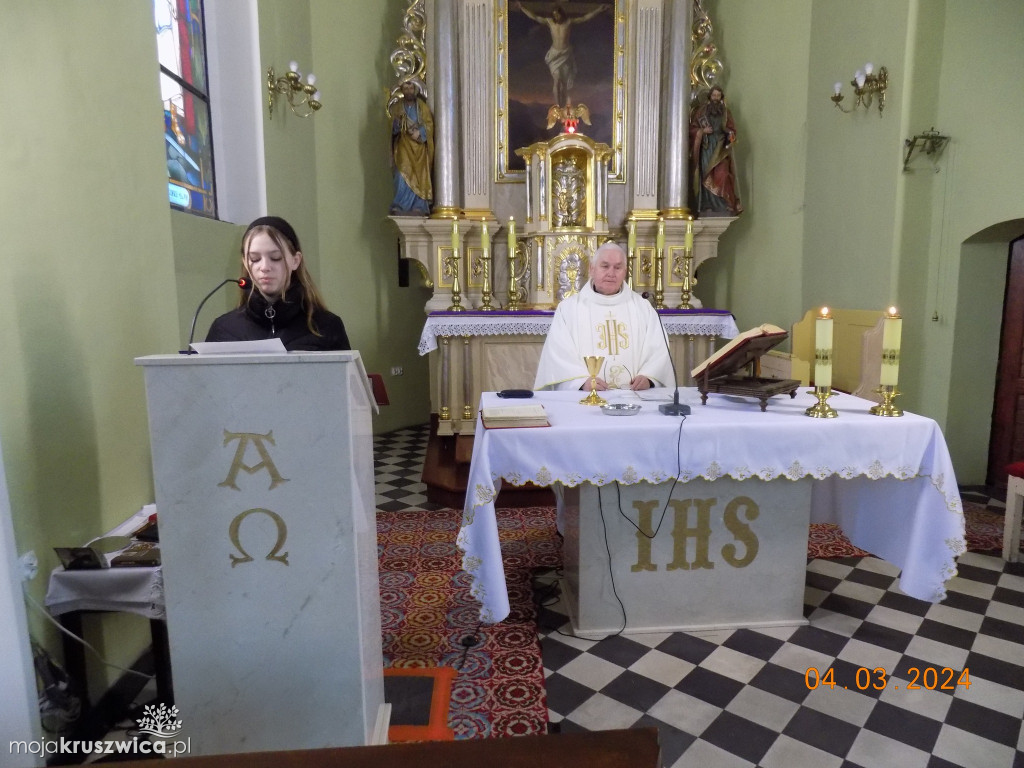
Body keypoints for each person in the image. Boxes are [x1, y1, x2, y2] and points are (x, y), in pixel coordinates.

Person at [534, 242, 674, 391]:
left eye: (618, 267)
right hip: (586, 401)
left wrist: (648, 377)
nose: (611, 273)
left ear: (625, 272)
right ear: (592, 270)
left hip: (635, 398)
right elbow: (559, 354)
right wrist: (581, 382)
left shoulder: (642, 307)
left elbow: (659, 350)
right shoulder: (569, 309)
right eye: (605, 266)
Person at [206, 216, 351, 351]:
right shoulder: (224, 329)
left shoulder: (326, 327)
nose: (264, 267)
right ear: (245, 261)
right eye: (255, 258)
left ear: (295, 260)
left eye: (276, 258)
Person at [516, 2, 609, 108]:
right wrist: (522, 8)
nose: (556, 16)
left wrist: (598, 10)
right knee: (557, 80)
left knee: (563, 82)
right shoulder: (550, 22)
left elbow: (585, 18)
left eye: (558, 14)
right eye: (554, 15)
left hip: (565, 54)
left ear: (562, 14)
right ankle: (558, 104)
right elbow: (535, 17)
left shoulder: (568, 22)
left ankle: (563, 104)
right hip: (555, 55)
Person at [689, 85, 743, 216]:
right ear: (710, 96)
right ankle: (707, 204)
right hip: (706, 147)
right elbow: (692, 130)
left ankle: (724, 203)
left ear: (721, 97)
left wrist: (731, 135)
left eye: (718, 96)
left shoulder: (726, 112)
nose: (716, 98)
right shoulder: (701, 112)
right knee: (705, 175)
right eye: (714, 96)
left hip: (720, 147)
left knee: (723, 174)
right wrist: (702, 131)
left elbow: (731, 129)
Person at [389, 80, 434, 216]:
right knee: (401, 174)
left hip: (419, 148)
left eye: (411, 87)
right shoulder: (397, 108)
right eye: (406, 87)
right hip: (403, 146)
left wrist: (420, 132)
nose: (408, 90)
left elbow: (429, 125)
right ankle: (401, 204)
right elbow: (391, 129)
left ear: (415, 89)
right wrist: (396, 125)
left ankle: (419, 205)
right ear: (402, 89)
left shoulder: (423, 108)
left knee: (420, 175)